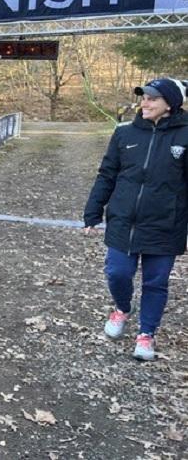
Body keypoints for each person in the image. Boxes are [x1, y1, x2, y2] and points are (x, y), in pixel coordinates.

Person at [84, 77, 187, 361]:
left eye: (152, 98)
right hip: (123, 222)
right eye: (143, 97)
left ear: (171, 104)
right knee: (117, 273)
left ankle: (147, 333)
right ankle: (122, 308)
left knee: (156, 283)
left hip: (166, 226)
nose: (145, 102)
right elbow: (107, 174)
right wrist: (93, 210)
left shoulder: (185, 135)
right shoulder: (124, 133)